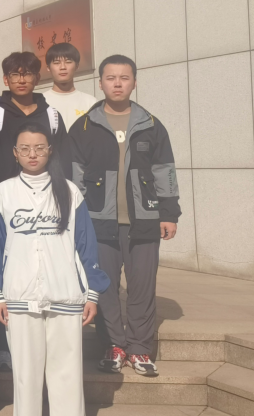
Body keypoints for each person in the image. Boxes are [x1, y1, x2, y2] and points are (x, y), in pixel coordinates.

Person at [0, 124, 109, 416]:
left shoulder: (69, 192)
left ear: (50, 150)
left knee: (66, 379)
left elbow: (86, 244)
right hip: (19, 298)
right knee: (26, 379)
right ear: (14, 152)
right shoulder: (2, 193)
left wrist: (92, 293)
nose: (32, 154)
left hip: (65, 297)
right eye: (25, 148)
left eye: (39, 147)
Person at [67, 54, 180, 378]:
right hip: (98, 221)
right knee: (104, 287)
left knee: (142, 286)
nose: (117, 83)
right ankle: (114, 345)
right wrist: (76, 219)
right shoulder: (84, 126)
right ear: (100, 82)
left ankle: (140, 348)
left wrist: (169, 213)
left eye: (124, 78)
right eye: (111, 78)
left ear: (134, 82)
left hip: (144, 220)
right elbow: (74, 177)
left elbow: (164, 172)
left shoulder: (151, 125)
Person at [0, 51, 66, 183]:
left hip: (47, 191)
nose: (21, 80)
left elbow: (64, 160)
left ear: (37, 78)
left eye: (27, 74)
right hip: (4, 193)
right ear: (6, 79)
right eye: (15, 75)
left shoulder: (52, 117)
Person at [42, 42, 97, 122]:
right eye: (56, 63)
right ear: (48, 68)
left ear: (77, 66)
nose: (63, 67)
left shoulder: (90, 103)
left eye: (68, 62)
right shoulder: (40, 102)